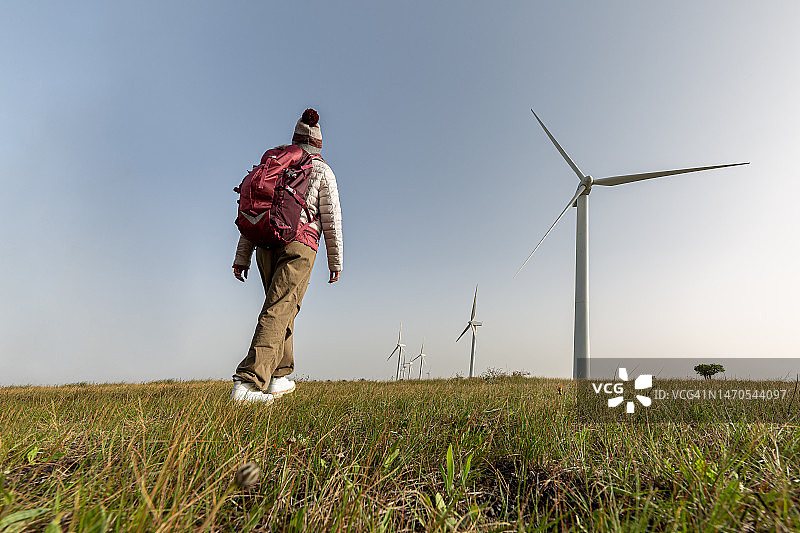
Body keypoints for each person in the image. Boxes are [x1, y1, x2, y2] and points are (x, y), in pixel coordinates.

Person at [230, 108, 343, 403]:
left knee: (283, 307)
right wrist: (336, 261)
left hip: (265, 243)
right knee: (279, 309)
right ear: (319, 144)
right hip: (299, 245)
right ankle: (249, 383)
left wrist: (241, 256)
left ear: (295, 139)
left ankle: (279, 376)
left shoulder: (274, 165)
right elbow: (331, 219)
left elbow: (255, 211)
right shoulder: (322, 170)